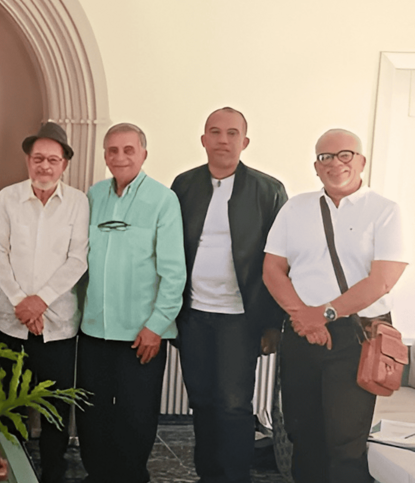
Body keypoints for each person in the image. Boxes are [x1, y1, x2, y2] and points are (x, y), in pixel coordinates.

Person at [263, 128, 407, 483]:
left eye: (345, 155)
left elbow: (383, 279)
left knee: (346, 442)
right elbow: (272, 269)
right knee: (302, 432)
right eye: (326, 157)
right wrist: (303, 318)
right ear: (316, 166)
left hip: (357, 335)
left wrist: (323, 314)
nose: (335, 163)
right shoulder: (295, 208)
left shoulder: (385, 211)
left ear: (360, 161)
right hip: (301, 332)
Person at [169, 107, 287, 483]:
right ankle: (208, 476)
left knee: (234, 405)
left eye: (232, 133)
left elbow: (281, 262)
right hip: (194, 314)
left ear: (245, 141)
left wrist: (273, 323)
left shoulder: (269, 191)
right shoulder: (183, 185)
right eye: (215, 132)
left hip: (241, 317)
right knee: (201, 403)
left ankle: (234, 478)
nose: (223, 140)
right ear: (203, 139)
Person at [77, 123, 185, 483]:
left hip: (142, 334)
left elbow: (174, 273)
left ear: (143, 154)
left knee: (135, 419)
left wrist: (156, 326)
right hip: (94, 329)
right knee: (92, 416)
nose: (119, 157)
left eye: (128, 150)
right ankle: (97, 476)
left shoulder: (163, 199)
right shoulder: (93, 196)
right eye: (112, 150)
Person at [0, 122, 89, 483]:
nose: (44, 166)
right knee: (9, 405)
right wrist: (21, 303)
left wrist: (40, 302)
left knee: (55, 408)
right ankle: (10, 469)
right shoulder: (7, 198)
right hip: (11, 321)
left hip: (58, 324)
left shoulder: (78, 203)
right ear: (28, 161)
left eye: (52, 160)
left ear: (64, 164)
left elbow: (78, 260)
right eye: (38, 159)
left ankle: (54, 473)